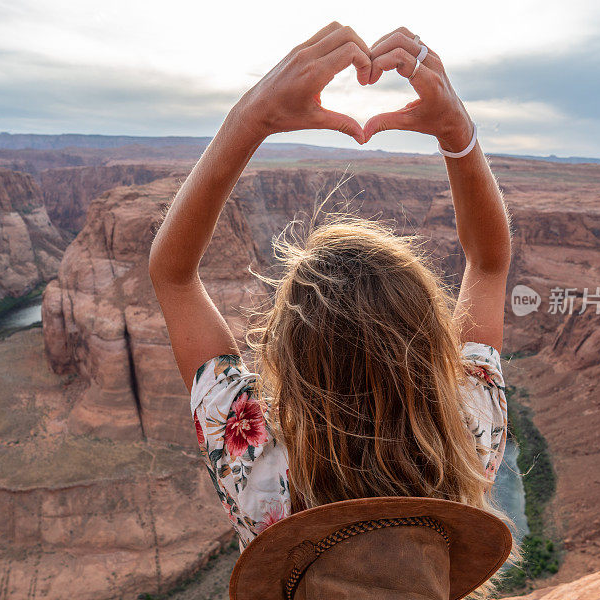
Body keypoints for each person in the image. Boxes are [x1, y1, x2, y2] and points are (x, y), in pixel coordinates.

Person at [149, 23, 518, 597]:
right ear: (431, 342)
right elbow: (489, 263)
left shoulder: (258, 468)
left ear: (283, 356)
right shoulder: (467, 436)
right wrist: (457, 133)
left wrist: (253, 118)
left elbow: (170, 273)